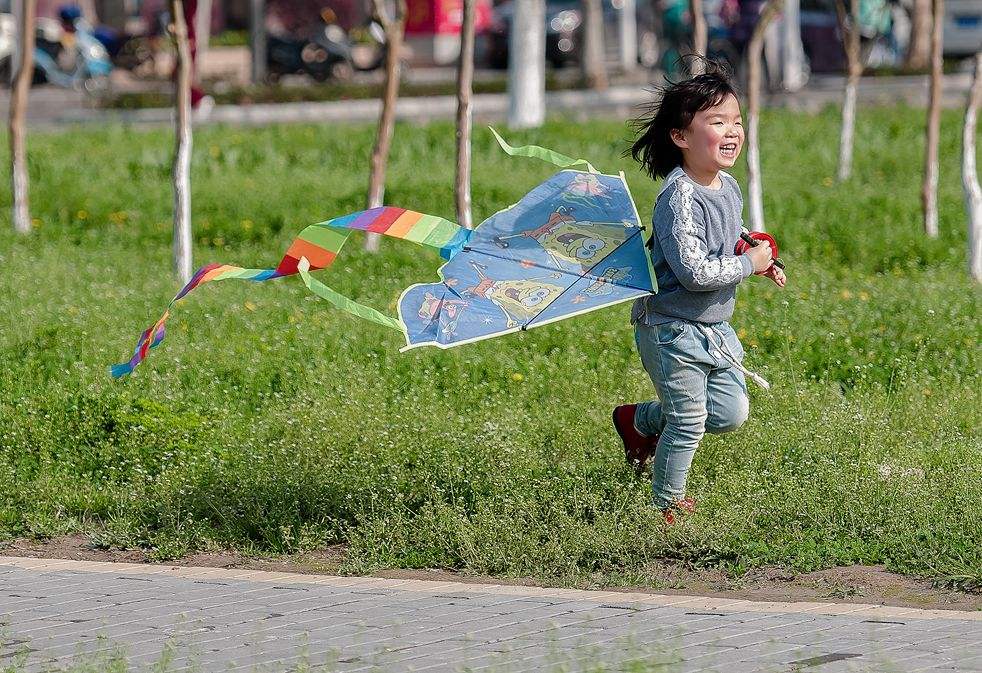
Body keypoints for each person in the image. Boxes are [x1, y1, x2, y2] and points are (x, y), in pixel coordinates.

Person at [613, 61, 786, 524]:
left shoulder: (726, 185)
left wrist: (750, 247)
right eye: (717, 122)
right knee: (689, 420)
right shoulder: (678, 197)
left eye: (736, 122)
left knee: (729, 413)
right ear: (681, 137)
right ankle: (667, 505)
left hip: (714, 328)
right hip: (670, 328)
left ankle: (640, 422)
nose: (731, 132)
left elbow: (730, 232)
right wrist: (747, 265)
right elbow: (692, 271)